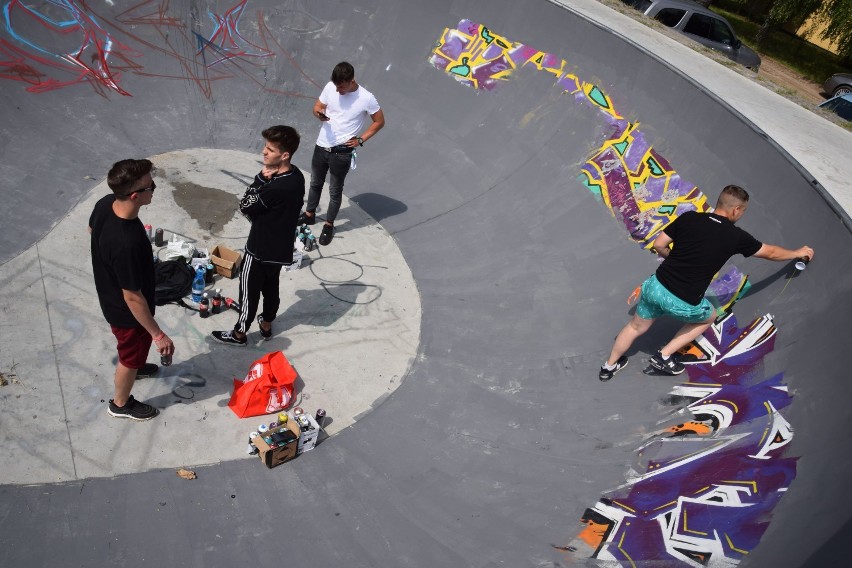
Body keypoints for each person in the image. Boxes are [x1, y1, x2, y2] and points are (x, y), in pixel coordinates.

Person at [599, 185, 814, 381]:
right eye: (743, 211)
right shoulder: (736, 237)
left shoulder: (689, 218)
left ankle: (608, 366)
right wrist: (797, 252)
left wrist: (672, 259)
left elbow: (660, 243)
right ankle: (664, 355)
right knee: (709, 316)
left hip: (656, 286)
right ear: (736, 210)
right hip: (684, 300)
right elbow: (771, 252)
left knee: (635, 327)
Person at [89, 159, 175, 420]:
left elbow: (92, 229)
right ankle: (121, 403)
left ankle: (137, 366)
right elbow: (133, 297)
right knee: (128, 356)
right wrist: (158, 335)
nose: (154, 189)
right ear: (136, 195)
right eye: (152, 187)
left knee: (134, 353)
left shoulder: (105, 203)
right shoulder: (127, 243)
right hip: (127, 313)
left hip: (111, 296)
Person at [212, 125, 305, 346]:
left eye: (270, 150)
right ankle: (266, 324)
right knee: (271, 287)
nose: (264, 152)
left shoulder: (274, 188)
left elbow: (245, 206)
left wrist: (259, 181)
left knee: (248, 292)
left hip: (259, 249)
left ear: (284, 155)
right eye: (265, 147)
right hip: (280, 249)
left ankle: (239, 334)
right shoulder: (297, 176)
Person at [299, 61, 385, 245]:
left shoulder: (366, 98)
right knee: (315, 182)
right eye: (336, 87)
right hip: (322, 145)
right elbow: (317, 106)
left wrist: (361, 139)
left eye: (342, 87)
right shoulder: (331, 86)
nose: (338, 91)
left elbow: (379, 121)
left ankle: (329, 225)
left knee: (335, 190)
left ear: (352, 80)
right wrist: (319, 113)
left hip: (342, 152)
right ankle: (309, 214)